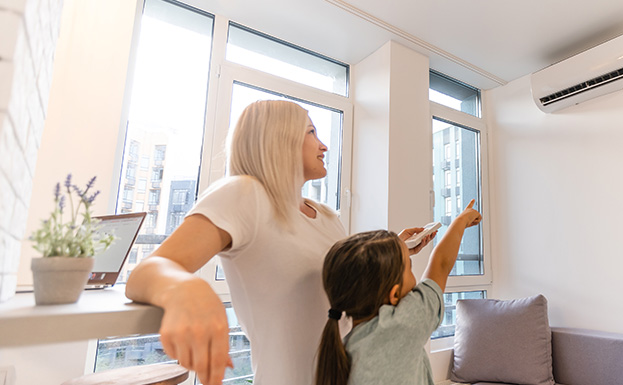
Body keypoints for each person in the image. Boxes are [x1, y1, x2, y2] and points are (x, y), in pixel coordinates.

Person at [125, 100, 434, 385]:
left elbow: (342, 280)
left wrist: (396, 248)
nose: (323, 145)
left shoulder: (326, 216)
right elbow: (148, 272)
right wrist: (186, 289)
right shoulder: (244, 195)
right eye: (311, 132)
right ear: (279, 139)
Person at [315, 200, 482, 385]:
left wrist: (395, 249)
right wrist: (462, 219)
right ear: (393, 295)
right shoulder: (401, 325)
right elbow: (441, 264)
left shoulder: (347, 346)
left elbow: (365, 271)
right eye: (409, 268)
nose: (414, 276)